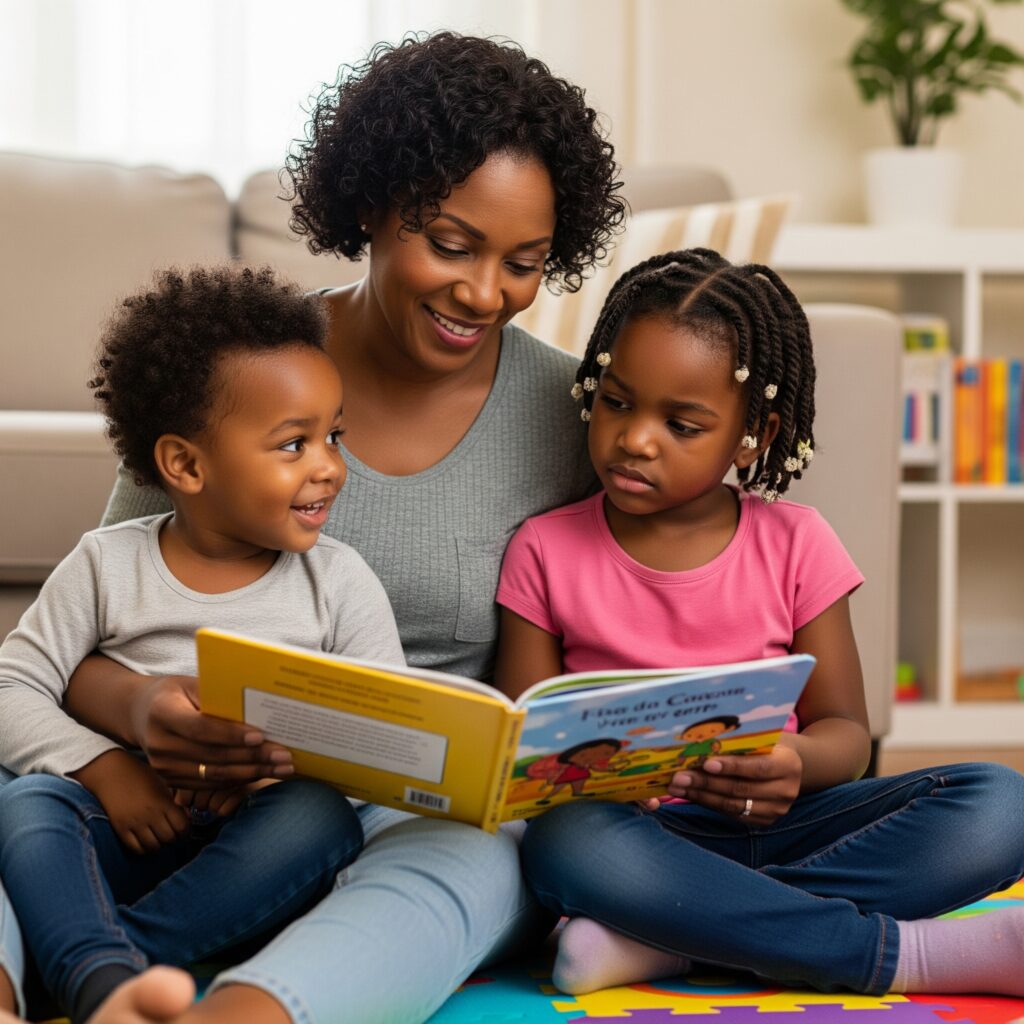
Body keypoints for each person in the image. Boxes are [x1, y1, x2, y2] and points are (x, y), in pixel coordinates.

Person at [27, 31, 625, 1024]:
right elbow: (87, 630)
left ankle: (241, 1010)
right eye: (450, 243)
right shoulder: (243, 366)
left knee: (475, 863)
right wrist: (143, 716)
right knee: (20, 800)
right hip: (183, 777)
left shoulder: (570, 416)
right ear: (370, 206)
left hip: (396, 807)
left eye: (523, 263)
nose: (484, 293)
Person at [493, 248, 1024, 999]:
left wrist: (797, 763)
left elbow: (846, 731)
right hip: (640, 840)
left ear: (754, 435)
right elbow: (526, 760)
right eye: (617, 402)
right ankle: (901, 955)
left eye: (681, 423)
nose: (636, 438)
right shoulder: (543, 550)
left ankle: (669, 941)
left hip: (782, 821)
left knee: (1002, 804)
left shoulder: (797, 543)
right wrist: (595, 785)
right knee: (560, 842)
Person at [0, 265, 404, 1022]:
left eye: (334, 436)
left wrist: (274, 773)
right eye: (294, 445)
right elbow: (10, 686)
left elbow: (382, 737)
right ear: (185, 465)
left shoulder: (339, 581)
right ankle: (99, 973)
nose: (329, 467)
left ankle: (98, 970)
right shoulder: (107, 563)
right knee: (26, 803)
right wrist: (107, 769)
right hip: (123, 822)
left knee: (322, 819)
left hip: (255, 847)